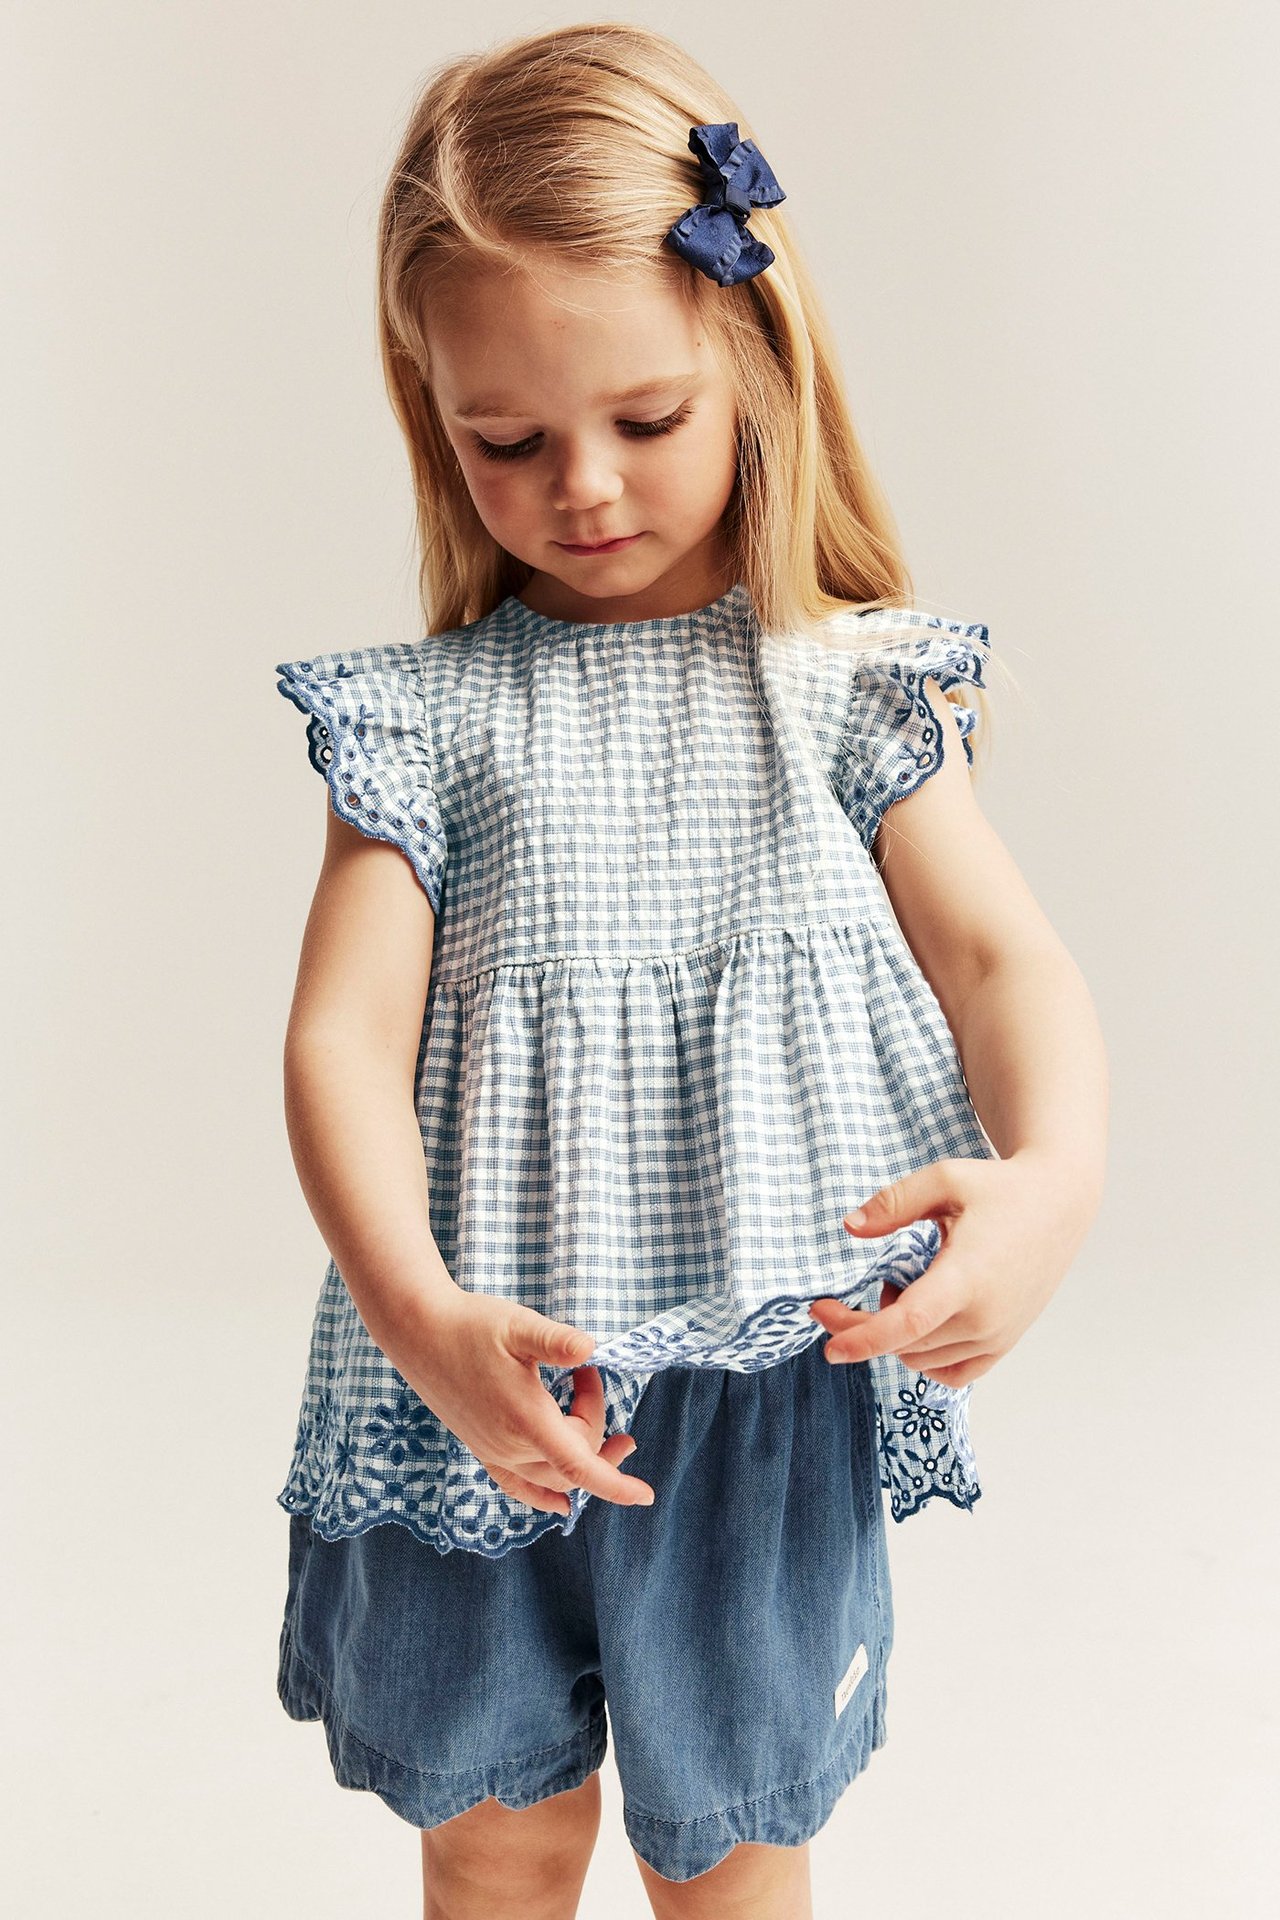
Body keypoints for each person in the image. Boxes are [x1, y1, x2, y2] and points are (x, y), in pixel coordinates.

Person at [270, 22, 1108, 1920]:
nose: (581, 485)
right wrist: (418, 1313)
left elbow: (1004, 962)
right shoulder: (421, 725)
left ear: (754, 358)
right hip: (477, 1367)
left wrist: (1055, 1178)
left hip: (757, 1383)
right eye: (505, 440)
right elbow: (340, 1039)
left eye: (645, 420)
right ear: (433, 411)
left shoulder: (846, 687)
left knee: (730, 1853)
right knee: (497, 1842)